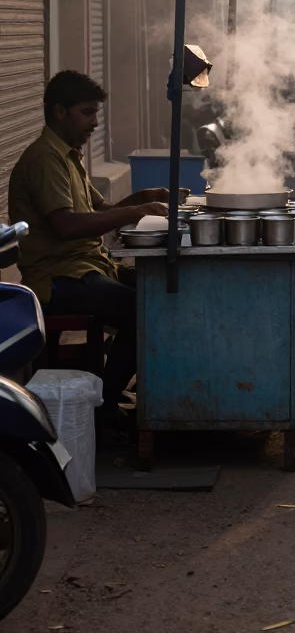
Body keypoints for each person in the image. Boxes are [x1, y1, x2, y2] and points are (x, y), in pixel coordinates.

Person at [8, 70, 168, 428]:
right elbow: (66, 226)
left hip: (90, 267)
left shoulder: (69, 156)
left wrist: (145, 197)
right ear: (59, 111)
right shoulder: (44, 159)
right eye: (87, 112)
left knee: (160, 291)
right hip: (58, 280)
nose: (94, 123)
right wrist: (137, 211)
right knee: (141, 311)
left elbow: (102, 212)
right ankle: (103, 413)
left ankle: (141, 392)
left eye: (96, 113)